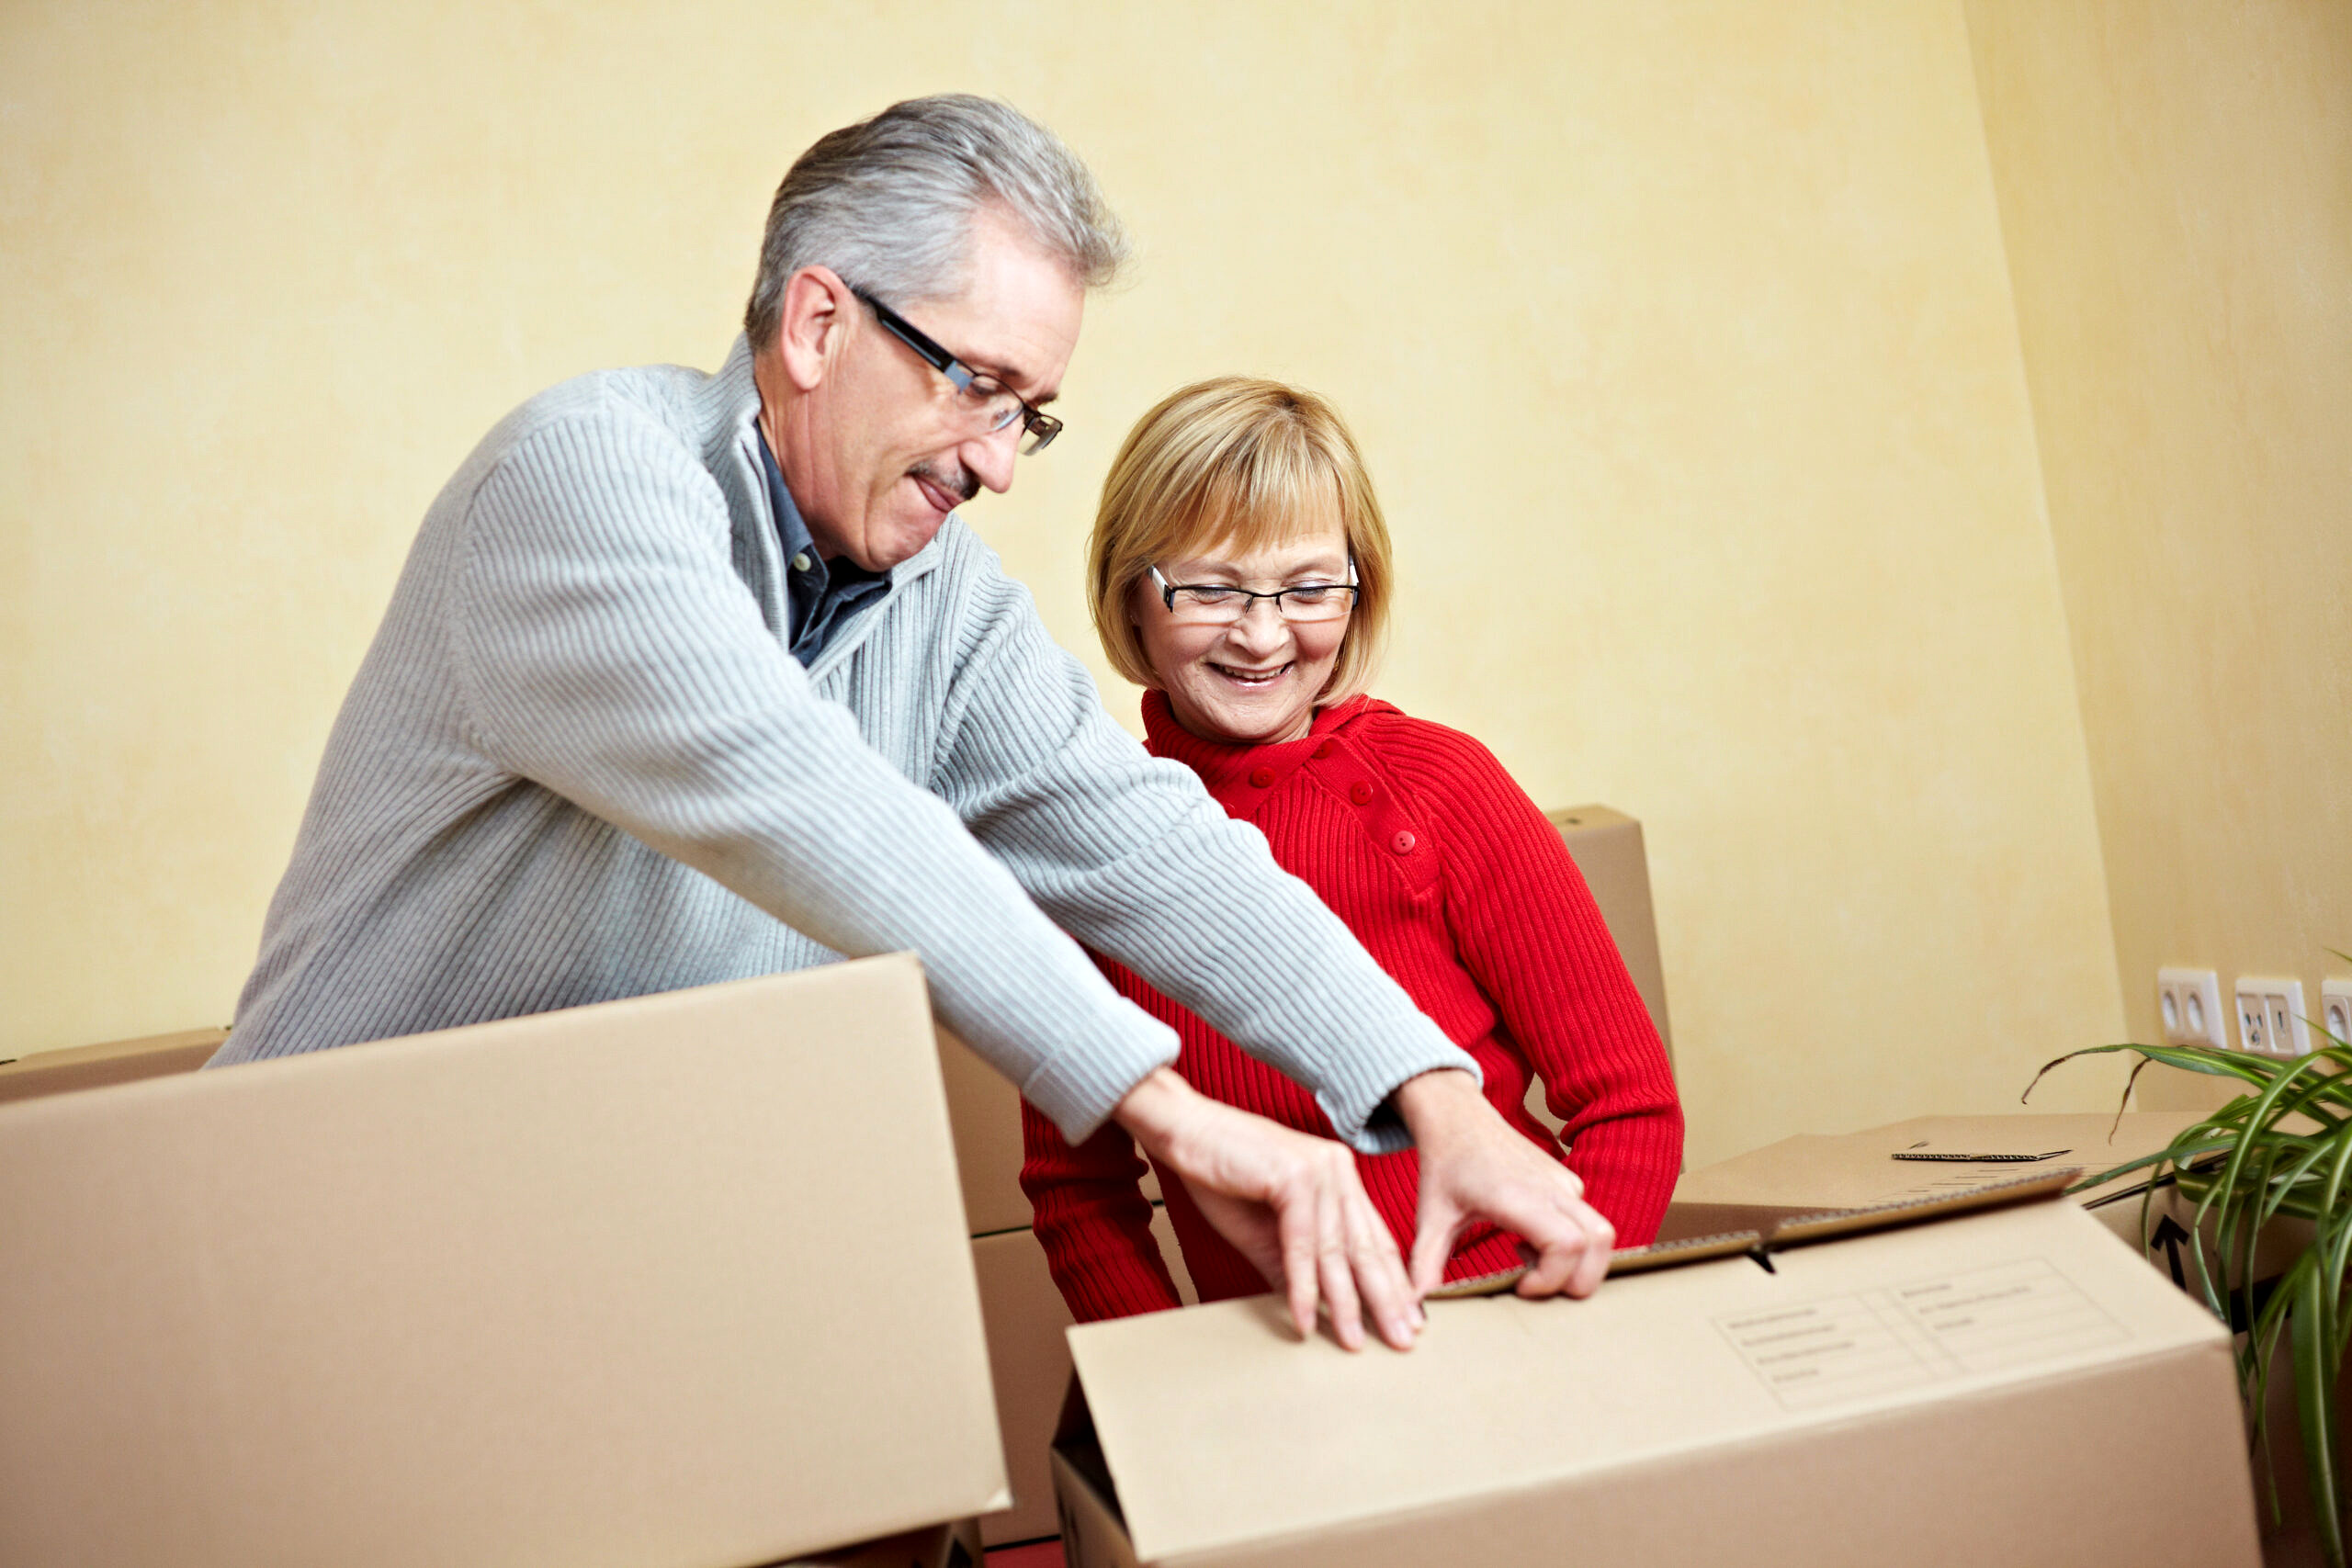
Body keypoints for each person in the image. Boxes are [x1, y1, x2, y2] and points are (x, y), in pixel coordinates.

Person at [210, 95, 1617, 1350]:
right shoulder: (583, 482)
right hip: (312, 1257)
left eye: (1032, 414)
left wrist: (1430, 1085)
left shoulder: (937, 589)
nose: (1002, 462)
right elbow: (806, 798)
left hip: (588, 1264)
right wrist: (1169, 1109)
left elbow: (1143, 839)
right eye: (978, 385)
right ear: (820, 324)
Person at [1022, 378, 1682, 1318]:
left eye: (1307, 587)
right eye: (1209, 587)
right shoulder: (1092, 841)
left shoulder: (1444, 786)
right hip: (1278, 1365)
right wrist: (1173, 1390)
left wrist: (1544, 1314)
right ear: (1131, 595)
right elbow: (1077, 1190)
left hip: (1509, 1312)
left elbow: (1631, 1108)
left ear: (1356, 587)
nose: (1261, 634)